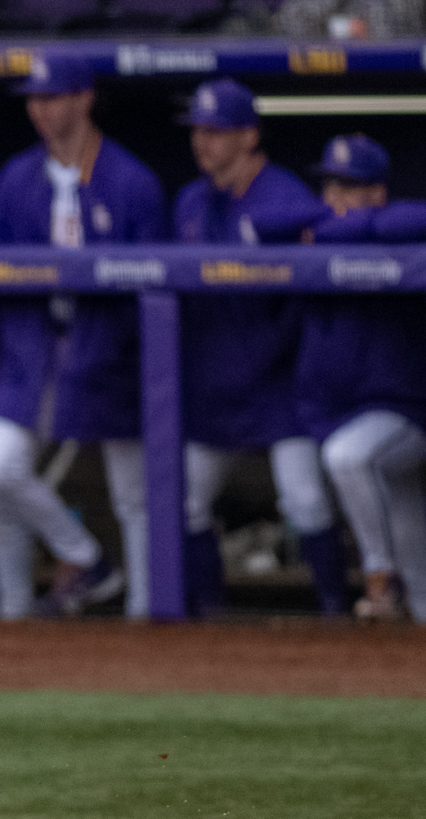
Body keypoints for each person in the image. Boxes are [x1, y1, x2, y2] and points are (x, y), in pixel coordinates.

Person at [152, 78, 344, 618]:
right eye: (199, 131)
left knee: (304, 499)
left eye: (217, 131)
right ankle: (212, 617)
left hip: (278, 382)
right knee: (183, 501)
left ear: (249, 136)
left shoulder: (286, 197)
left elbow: (312, 299)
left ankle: (337, 615)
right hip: (212, 383)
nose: (203, 143)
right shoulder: (190, 201)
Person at [0, 53, 148, 619]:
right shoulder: (18, 178)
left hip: (113, 353)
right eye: (34, 98)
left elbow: (153, 291)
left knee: (135, 497)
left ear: (84, 98)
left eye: (53, 97)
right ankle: (75, 565)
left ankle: (154, 618)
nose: (42, 109)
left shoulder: (131, 181)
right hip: (37, 351)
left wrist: (105, 343)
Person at [299, 135, 426, 623]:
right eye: (330, 186)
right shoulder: (313, 233)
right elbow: (264, 224)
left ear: (378, 193)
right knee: (408, 526)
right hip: (347, 409)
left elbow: (416, 219)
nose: (336, 197)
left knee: (348, 458)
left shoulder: (399, 230)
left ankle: (380, 572)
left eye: (351, 187)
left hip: (406, 411)